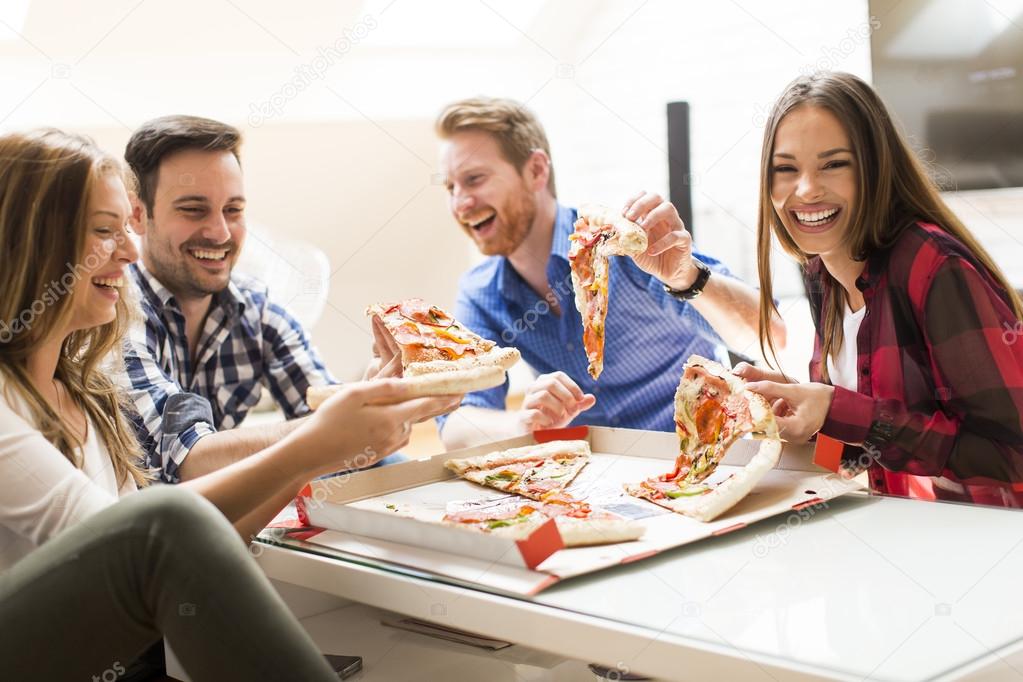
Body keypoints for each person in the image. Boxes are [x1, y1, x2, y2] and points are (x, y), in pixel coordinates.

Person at [0, 129, 459, 680]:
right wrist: (317, 440)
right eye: (104, 231)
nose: (127, 251)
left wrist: (346, 433)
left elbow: (194, 543)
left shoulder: (86, 396)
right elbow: (130, 545)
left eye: (233, 209)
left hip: (122, 654)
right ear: (32, 242)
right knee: (160, 515)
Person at [735, 72, 1023, 508]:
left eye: (834, 164)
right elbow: (865, 454)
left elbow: (1012, 454)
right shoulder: (822, 273)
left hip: (983, 551)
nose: (807, 189)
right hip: (903, 539)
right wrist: (803, 410)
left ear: (873, 167)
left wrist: (839, 409)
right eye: (786, 169)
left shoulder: (933, 266)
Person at [434, 97, 786, 449]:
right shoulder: (481, 292)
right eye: (451, 187)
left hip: (700, 458)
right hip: (593, 484)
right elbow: (456, 424)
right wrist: (523, 423)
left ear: (536, 171)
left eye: (474, 179)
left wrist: (686, 277)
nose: (460, 204)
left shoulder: (624, 246)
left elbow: (769, 336)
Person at [120, 115, 400, 483]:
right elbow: (185, 459)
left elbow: (324, 411)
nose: (220, 232)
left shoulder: (257, 311)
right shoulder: (114, 317)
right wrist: (335, 429)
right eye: (193, 210)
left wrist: (370, 401)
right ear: (138, 214)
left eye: (233, 210)